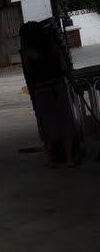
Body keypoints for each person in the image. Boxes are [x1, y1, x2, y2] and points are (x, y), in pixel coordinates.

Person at [19, 21, 83, 168]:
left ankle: (50, 161)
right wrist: (75, 85)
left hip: (42, 91)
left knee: (47, 126)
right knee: (65, 122)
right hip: (59, 87)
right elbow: (64, 68)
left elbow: (29, 74)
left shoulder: (26, 52)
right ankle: (69, 160)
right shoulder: (53, 46)